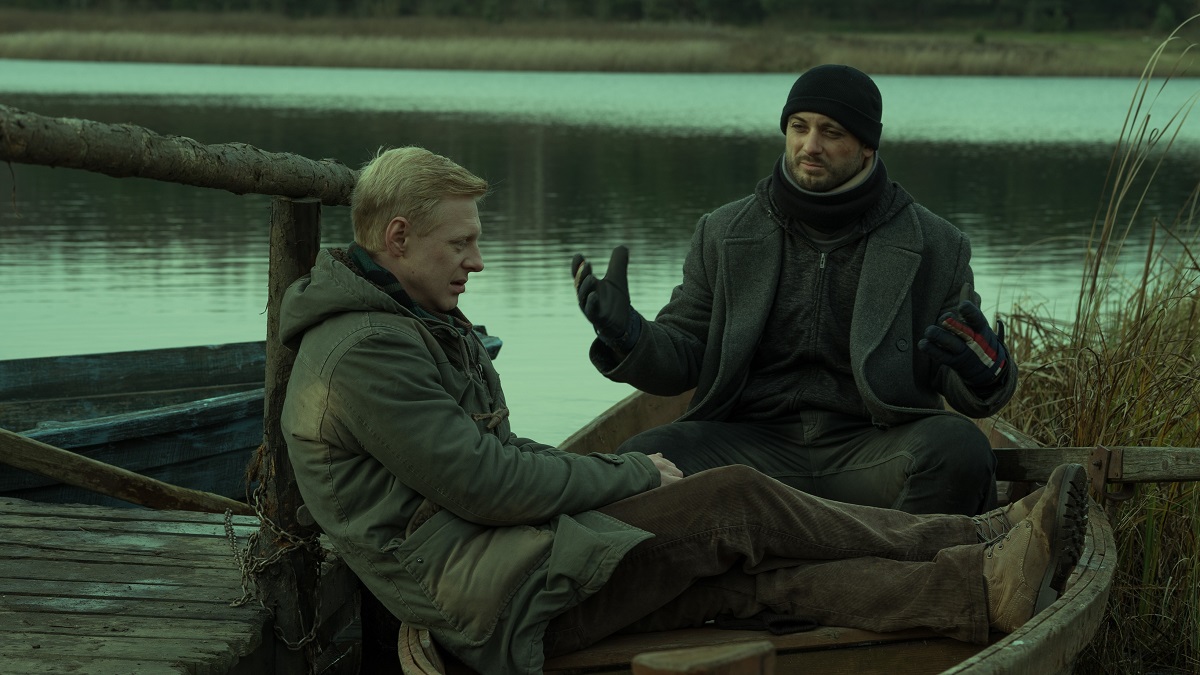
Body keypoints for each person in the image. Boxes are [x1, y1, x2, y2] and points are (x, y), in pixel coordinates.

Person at [279, 146, 1085, 675]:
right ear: (396, 237)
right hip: (502, 597)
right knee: (734, 502)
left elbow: (497, 464)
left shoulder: (410, 322)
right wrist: (629, 463)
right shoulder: (366, 353)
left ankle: (977, 584)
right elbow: (486, 480)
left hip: (515, 563)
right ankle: (976, 542)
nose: (478, 260)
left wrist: (983, 371)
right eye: (461, 243)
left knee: (759, 579)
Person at [571, 64, 1015, 517]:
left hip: (873, 449)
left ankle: (895, 557)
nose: (810, 145)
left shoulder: (938, 244)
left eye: (831, 132)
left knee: (961, 448)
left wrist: (986, 370)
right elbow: (684, 355)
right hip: (748, 445)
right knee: (639, 462)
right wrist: (627, 335)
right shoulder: (723, 232)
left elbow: (961, 382)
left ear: (867, 146)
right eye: (799, 127)